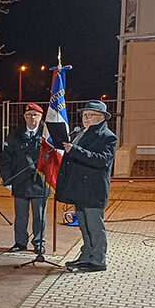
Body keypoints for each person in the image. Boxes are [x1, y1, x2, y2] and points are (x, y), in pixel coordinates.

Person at [55, 100, 118, 272]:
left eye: (91, 115)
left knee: (94, 226)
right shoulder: (81, 134)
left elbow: (101, 160)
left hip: (93, 190)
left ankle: (98, 259)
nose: (86, 118)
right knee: (84, 225)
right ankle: (87, 255)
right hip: (80, 189)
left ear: (102, 118)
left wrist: (74, 150)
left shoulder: (108, 137)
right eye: (84, 115)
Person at [0, 102, 48, 253]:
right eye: (29, 115)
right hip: (20, 181)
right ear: (24, 117)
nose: (32, 118)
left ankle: (39, 242)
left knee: (39, 216)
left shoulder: (47, 135)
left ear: (41, 117)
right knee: (21, 216)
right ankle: (20, 242)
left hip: (40, 181)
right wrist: (7, 179)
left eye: (35, 115)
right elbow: (6, 159)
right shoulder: (15, 135)